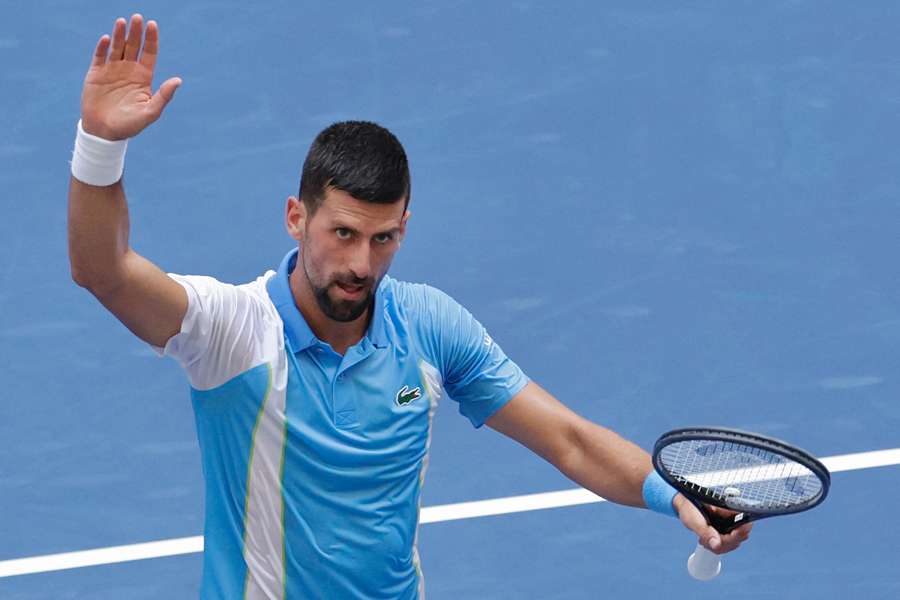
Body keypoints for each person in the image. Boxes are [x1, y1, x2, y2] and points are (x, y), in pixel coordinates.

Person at [68, 14, 751, 600]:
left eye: (384, 238)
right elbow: (103, 270)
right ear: (294, 218)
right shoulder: (233, 329)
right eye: (343, 234)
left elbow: (569, 440)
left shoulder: (428, 325)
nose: (361, 265)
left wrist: (674, 496)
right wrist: (101, 146)